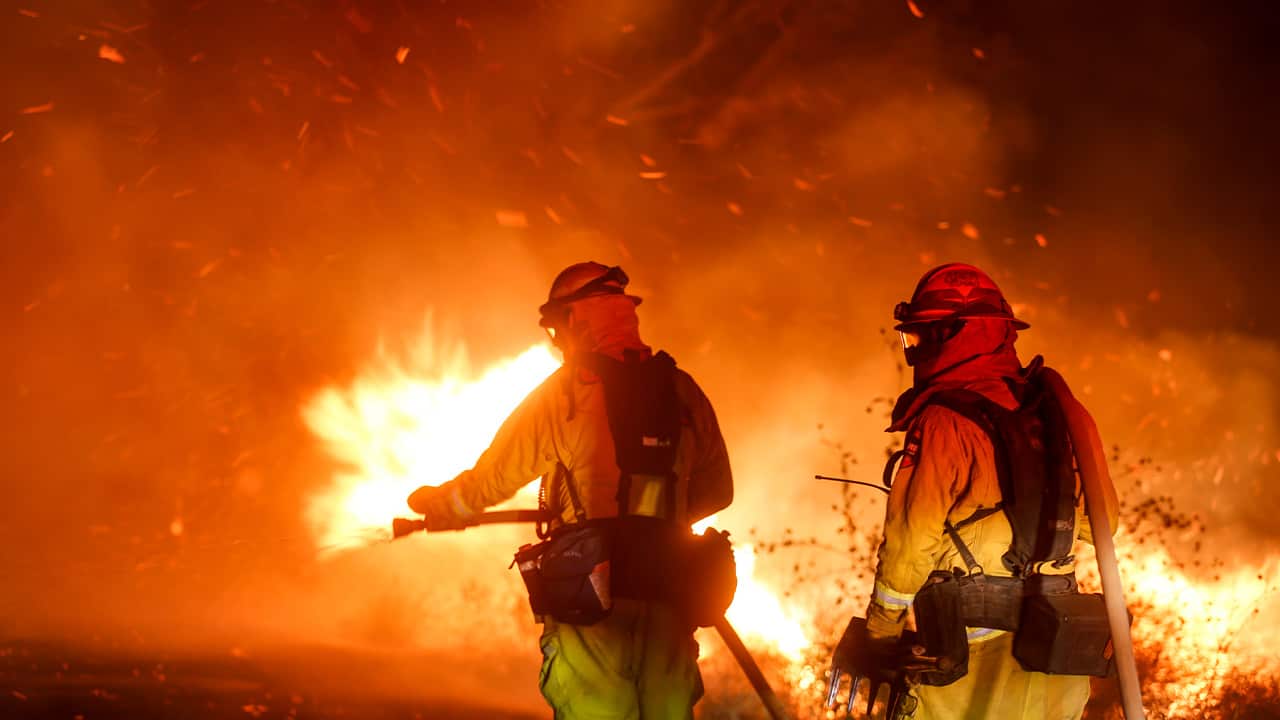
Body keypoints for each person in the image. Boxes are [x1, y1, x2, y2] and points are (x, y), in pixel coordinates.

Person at [407, 262, 733, 720]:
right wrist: (655, 524)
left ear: (575, 320)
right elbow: (718, 491)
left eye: (557, 329)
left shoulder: (566, 394)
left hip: (591, 596)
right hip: (669, 596)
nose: (556, 341)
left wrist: (442, 507)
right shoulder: (682, 390)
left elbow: (492, 479)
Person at [863, 262, 1120, 719]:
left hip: (967, 671)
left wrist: (881, 634)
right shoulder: (1062, 410)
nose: (915, 350)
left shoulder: (943, 421)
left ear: (946, 336)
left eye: (919, 337)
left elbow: (910, 545)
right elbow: (1106, 521)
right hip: (1054, 655)